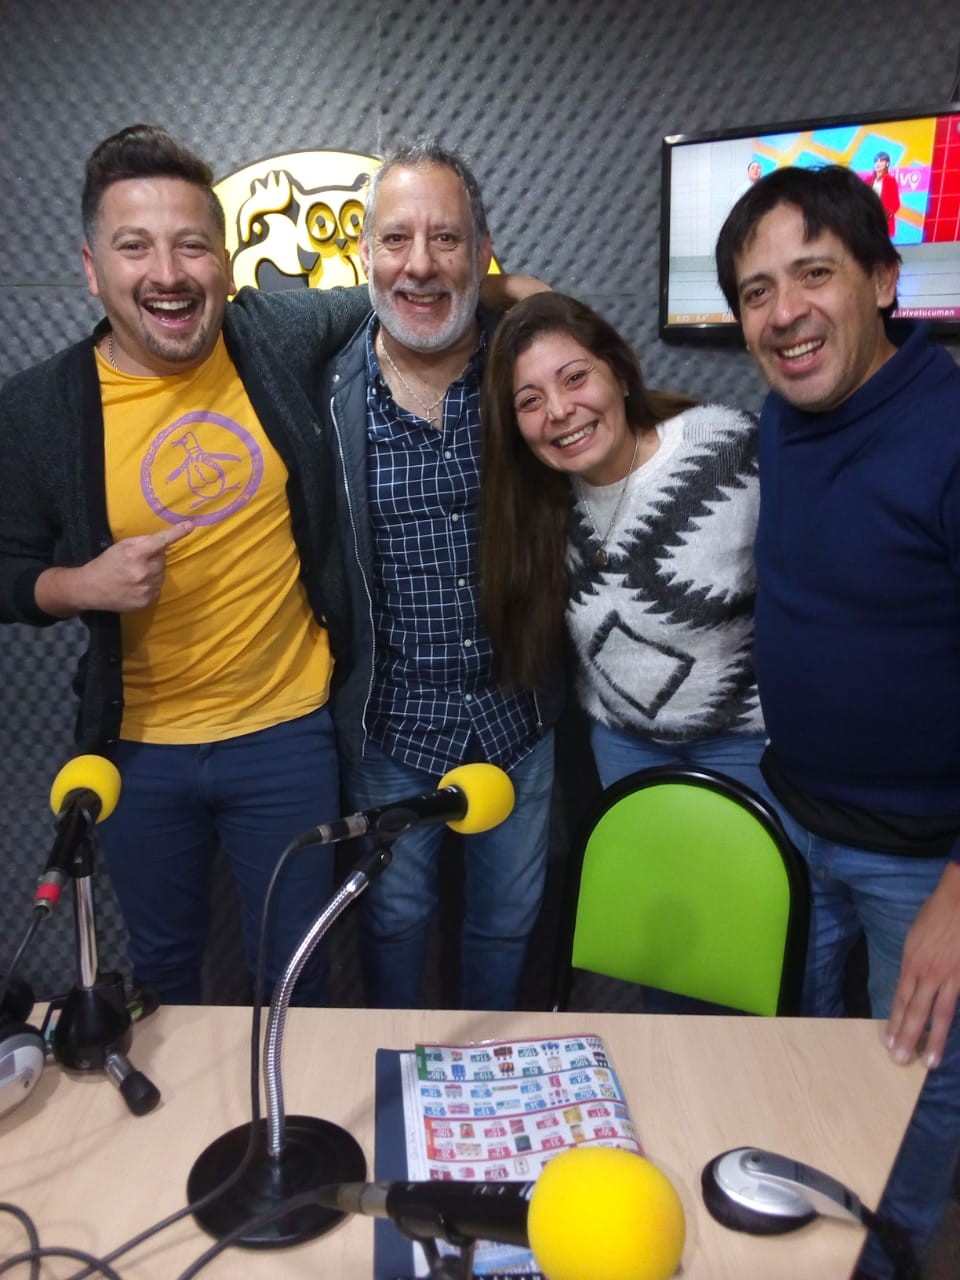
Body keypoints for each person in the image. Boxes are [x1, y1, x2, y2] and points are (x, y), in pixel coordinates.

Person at [0, 124, 373, 1005]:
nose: (167, 272)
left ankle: (286, 1102)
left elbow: (403, 291)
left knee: (298, 975)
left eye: (191, 245)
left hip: (286, 734)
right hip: (138, 749)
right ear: (92, 269)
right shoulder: (39, 408)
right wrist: (80, 586)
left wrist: (520, 292)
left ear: (226, 263)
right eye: (135, 247)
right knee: (164, 973)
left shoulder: (271, 335)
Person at [715, 163, 960, 1279]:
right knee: (800, 1064)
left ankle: (882, 1261)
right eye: (757, 292)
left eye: (813, 274)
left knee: (917, 1091)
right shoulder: (785, 414)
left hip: (923, 862)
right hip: (796, 820)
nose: (785, 313)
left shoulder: (947, 429)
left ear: (884, 280)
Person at [321, 138, 559, 1011]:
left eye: (446, 238)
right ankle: (394, 1056)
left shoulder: (530, 373)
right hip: (393, 728)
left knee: (508, 921)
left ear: (483, 251)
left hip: (520, 714)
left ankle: (489, 1063)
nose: (419, 264)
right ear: (365, 254)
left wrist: (533, 298)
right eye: (396, 239)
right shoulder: (327, 389)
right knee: (394, 921)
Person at [479, 291, 764, 794]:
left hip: (745, 741)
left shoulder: (727, 451)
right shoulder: (540, 503)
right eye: (530, 401)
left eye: (575, 378)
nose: (559, 410)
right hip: (622, 746)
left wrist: (512, 285)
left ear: (621, 374)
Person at [865, 150, 900, 237]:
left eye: (881, 161)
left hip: (884, 222)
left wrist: (888, 214)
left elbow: (896, 203)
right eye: (876, 161)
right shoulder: (868, 180)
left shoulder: (890, 181)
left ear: (887, 164)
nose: (878, 163)